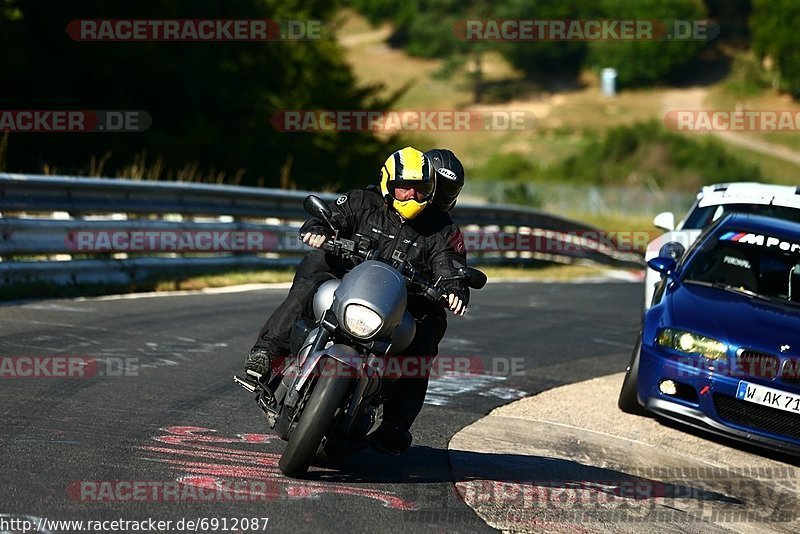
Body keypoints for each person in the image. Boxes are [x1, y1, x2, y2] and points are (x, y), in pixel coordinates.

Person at [245, 146, 469, 455]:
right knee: (313, 280)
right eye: (404, 189)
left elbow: (451, 266)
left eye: (420, 190)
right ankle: (265, 353)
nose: (412, 196)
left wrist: (454, 287)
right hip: (347, 284)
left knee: (426, 336)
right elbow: (334, 216)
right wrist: (319, 229)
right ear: (389, 184)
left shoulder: (442, 229)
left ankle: (396, 424)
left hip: (400, 303)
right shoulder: (364, 201)